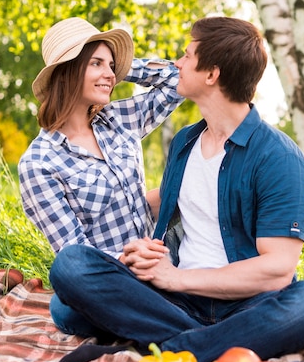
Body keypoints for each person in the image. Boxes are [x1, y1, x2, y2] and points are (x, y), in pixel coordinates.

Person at [50, 16, 304, 362]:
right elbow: (174, 210)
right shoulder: (185, 142)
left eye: (187, 56)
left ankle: (165, 351)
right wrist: (146, 253)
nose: (177, 64)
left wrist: (177, 277)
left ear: (212, 74)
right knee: (69, 275)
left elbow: (277, 270)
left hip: (248, 302)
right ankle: (212, 343)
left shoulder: (277, 157)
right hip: (175, 299)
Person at [18, 17, 183, 341]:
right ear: (68, 70)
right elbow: (75, 251)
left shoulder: (118, 120)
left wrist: (120, 67)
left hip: (162, 260)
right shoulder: (38, 163)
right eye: (96, 63)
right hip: (114, 279)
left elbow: (175, 80)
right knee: (66, 298)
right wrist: (128, 257)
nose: (110, 74)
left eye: (111, 65)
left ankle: (167, 321)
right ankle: (182, 322)